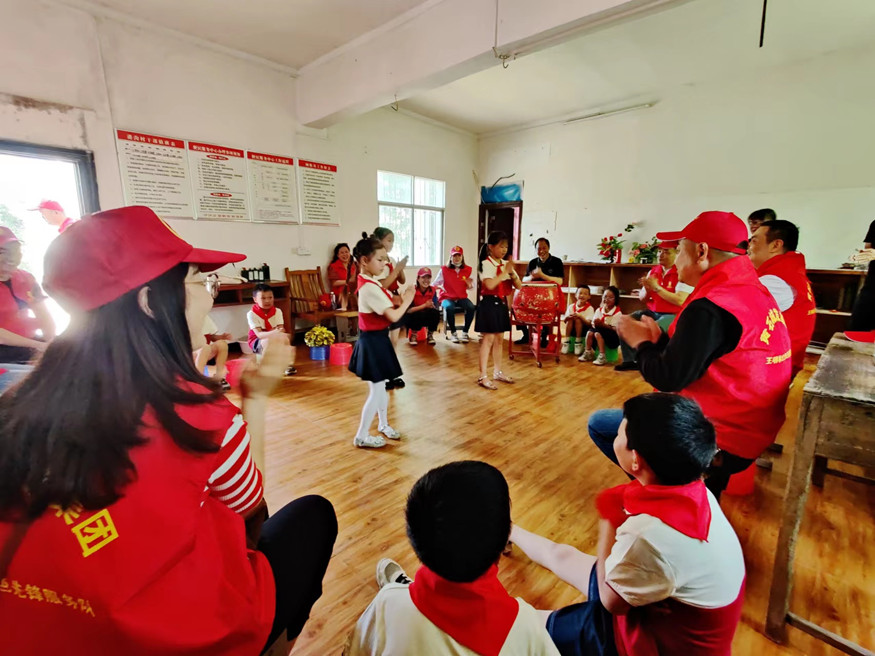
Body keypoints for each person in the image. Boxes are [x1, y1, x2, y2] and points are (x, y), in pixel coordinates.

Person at [0, 205, 337, 656]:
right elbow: (249, 506)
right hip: (156, 635)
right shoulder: (199, 414)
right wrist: (254, 400)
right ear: (148, 302)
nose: (209, 297)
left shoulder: (20, 401)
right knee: (312, 517)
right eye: (199, 282)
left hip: (32, 629)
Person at [511, 394, 745, 656]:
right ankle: (509, 530)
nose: (615, 432)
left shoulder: (648, 535)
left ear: (636, 459)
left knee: (526, 627)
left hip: (656, 642)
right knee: (561, 555)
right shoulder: (693, 489)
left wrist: (610, 518)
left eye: (621, 431)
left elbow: (610, 602)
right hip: (657, 608)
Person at [590, 211, 792, 498]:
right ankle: (702, 496)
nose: (675, 260)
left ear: (701, 252)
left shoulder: (712, 305)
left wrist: (640, 344)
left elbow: (668, 377)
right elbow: (708, 355)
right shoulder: (752, 290)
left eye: (679, 250)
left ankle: (669, 496)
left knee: (602, 425)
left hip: (720, 437)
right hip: (752, 428)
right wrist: (660, 343)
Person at [344, 461, 560, 656]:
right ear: (504, 539)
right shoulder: (527, 630)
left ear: (414, 537)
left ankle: (409, 589)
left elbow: (355, 651)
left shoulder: (388, 602)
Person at [348, 233, 415, 448]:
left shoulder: (371, 282)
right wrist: (408, 300)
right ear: (364, 261)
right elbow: (394, 317)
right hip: (373, 343)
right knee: (376, 392)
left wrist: (400, 298)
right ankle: (361, 436)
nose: (385, 264)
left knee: (381, 389)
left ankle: (383, 424)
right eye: (380, 259)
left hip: (377, 341)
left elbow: (387, 298)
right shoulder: (368, 287)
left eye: (386, 259)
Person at [748, 219, 816, 379]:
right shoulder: (789, 272)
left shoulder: (775, 281)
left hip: (772, 370)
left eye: (754, 241)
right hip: (784, 361)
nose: (749, 246)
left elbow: (734, 315)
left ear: (775, 245)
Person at [615, 242, 690, 371]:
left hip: (674, 314)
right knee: (625, 321)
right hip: (653, 312)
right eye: (660, 251)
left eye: (666, 252)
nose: (661, 255)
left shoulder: (683, 271)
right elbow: (642, 298)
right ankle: (630, 360)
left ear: (677, 253)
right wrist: (647, 289)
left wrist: (656, 287)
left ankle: (654, 363)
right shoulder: (653, 271)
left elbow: (679, 300)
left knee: (652, 329)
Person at [0, 227, 55, 363]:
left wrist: (51, 342)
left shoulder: (26, 279)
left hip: (29, 344)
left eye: (12, 266)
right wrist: (38, 346)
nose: (8, 271)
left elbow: (44, 315)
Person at [476, 231, 521, 390]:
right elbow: (489, 284)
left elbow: (519, 285)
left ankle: (497, 372)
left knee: (500, 339)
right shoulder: (485, 264)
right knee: (488, 339)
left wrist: (511, 273)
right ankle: (483, 376)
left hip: (501, 304)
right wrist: (504, 272)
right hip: (488, 304)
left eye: (506, 247)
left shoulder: (505, 264)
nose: (504, 250)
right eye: (501, 246)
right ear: (491, 247)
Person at [372, 227, 408, 389]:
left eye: (393, 241)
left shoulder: (391, 259)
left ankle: (392, 374)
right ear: (379, 241)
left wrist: (400, 268)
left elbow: (401, 280)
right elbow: (382, 285)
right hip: (383, 301)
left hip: (395, 300)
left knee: (394, 340)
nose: (391, 244)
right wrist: (396, 269)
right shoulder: (376, 261)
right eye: (388, 240)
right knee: (383, 340)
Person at [516, 238, 564, 349]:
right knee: (517, 307)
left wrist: (543, 275)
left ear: (549, 248)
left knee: (546, 310)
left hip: (549, 298)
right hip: (532, 297)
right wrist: (532, 276)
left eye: (544, 248)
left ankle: (544, 336)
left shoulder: (557, 262)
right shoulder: (533, 262)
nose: (541, 251)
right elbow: (524, 279)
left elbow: (560, 281)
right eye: (539, 249)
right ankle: (526, 335)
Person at [247, 283, 296, 375]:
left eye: (270, 297)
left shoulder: (277, 311)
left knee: (285, 338)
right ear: (255, 299)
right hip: (257, 341)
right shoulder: (251, 314)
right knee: (268, 341)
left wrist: (278, 333)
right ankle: (263, 367)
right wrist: (275, 332)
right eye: (263, 298)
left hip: (273, 336)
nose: (267, 301)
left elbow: (281, 329)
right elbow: (259, 335)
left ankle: (288, 366)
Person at [434, 245, 476, 343]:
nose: (457, 258)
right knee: (449, 308)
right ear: (451, 257)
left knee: (471, 307)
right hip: (447, 297)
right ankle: (453, 333)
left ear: (462, 257)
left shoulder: (468, 270)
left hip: (461, 297)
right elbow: (435, 283)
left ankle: (465, 332)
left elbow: (472, 286)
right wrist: (439, 287)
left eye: (459, 255)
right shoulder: (444, 270)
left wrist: (470, 285)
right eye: (454, 256)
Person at [578, 286, 622, 366]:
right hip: (599, 331)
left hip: (612, 337)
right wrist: (596, 323)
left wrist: (603, 325)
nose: (607, 299)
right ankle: (588, 351)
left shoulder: (617, 313)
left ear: (616, 299)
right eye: (605, 297)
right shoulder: (599, 310)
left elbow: (616, 329)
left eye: (610, 297)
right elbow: (593, 323)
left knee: (597, 333)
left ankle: (602, 355)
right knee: (590, 333)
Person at [195, 310, 232, 390]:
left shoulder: (205, 317)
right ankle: (199, 380)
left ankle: (219, 377)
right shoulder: (185, 319)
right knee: (205, 347)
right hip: (188, 354)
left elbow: (212, 337)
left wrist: (221, 337)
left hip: (205, 351)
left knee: (222, 344)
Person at [405, 267, 441, 346]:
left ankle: (430, 334)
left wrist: (432, 306)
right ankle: (413, 335)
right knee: (415, 314)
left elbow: (435, 306)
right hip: (414, 316)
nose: (426, 280)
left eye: (428, 278)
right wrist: (424, 305)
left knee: (435, 313)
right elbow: (408, 310)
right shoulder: (412, 290)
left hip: (426, 315)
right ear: (418, 279)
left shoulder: (432, 290)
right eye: (423, 277)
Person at [561, 287, 595, 355]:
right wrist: (568, 317)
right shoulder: (571, 306)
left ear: (589, 296)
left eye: (585, 294)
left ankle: (578, 342)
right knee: (570, 319)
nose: (582, 295)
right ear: (575, 295)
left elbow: (589, 323)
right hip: (572, 329)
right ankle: (567, 341)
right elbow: (565, 321)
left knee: (578, 319)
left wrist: (580, 316)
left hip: (584, 330)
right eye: (580, 293)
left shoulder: (590, 308)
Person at [328, 242, 358, 311]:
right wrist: (348, 281)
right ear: (338, 255)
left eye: (346, 252)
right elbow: (334, 283)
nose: (345, 254)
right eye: (342, 253)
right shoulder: (333, 266)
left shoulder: (354, 265)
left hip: (353, 291)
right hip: (340, 294)